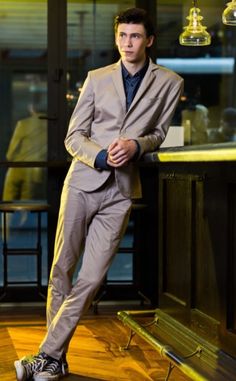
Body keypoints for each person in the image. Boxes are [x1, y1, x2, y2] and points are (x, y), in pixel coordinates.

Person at [14, 7, 183, 381]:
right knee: (62, 269)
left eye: (135, 36)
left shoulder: (170, 82)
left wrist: (137, 147)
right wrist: (102, 155)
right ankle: (55, 360)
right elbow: (73, 136)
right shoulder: (96, 78)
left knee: (90, 279)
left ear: (149, 40)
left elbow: (159, 135)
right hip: (82, 183)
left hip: (121, 191)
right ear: (116, 38)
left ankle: (45, 355)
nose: (128, 43)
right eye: (123, 36)